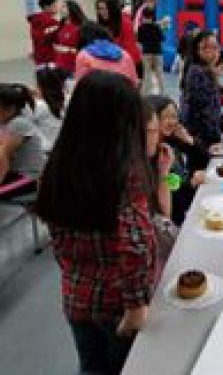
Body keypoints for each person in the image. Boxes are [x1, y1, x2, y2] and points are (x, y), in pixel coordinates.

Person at [35, 71, 157, 375]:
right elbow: (136, 245)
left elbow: (57, 236)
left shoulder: (57, 166)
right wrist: (135, 308)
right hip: (117, 305)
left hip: (76, 295)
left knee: (91, 366)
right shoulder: (124, 171)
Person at [146, 95, 210, 226]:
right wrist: (192, 184)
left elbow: (206, 160)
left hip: (183, 213)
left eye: (174, 116)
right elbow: (174, 197)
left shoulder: (170, 142)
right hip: (173, 224)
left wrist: (190, 141)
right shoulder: (153, 155)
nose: (172, 122)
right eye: (165, 117)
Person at [0, 84, 44, 200]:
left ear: (9, 108)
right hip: (12, 175)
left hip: (27, 179)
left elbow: (3, 158)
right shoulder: (6, 123)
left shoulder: (18, 123)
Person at [181, 30, 222, 150]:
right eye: (206, 47)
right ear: (197, 50)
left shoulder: (205, 69)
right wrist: (215, 138)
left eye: (215, 47)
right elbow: (205, 110)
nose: (212, 52)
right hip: (201, 139)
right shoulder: (197, 72)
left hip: (204, 136)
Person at [74, 22, 138, 87]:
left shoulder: (83, 55)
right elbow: (134, 83)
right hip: (123, 92)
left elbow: (80, 85)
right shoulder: (125, 54)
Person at [97, 0, 144, 80]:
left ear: (112, 9)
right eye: (100, 9)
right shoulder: (101, 25)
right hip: (111, 66)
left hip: (130, 64)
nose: (102, 12)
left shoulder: (125, 23)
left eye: (105, 9)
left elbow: (129, 50)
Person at [29, 67, 68, 152]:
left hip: (47, 150)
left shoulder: (38, 106)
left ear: (39, 86)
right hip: (66, 147)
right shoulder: (67, 99)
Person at [27, 0, 60, 68]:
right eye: (54, 5)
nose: (57, 8)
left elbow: (38, 38)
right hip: (50, 58)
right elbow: (58, 40)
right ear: (46, 7)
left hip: (39, 58)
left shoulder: (35, 20)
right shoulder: (51, 22)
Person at [137, 7, 165, 95]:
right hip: (157, 52)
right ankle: (162, 92)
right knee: (159, 72)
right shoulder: (156, 26)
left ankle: (146, 93)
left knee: (147, 72)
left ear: (143, 16)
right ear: (152, 16)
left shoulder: (141, 27)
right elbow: (162, 39)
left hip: (146, 52)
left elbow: (139, 41)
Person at [54, 0, 86, 76]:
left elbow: (85, 49)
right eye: (61, 7)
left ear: (71, 9)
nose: (61, 9)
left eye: (64, 6)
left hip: (74, 67)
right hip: (60, 65)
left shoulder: (80, 27)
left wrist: (68, 50)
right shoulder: (61, 26)